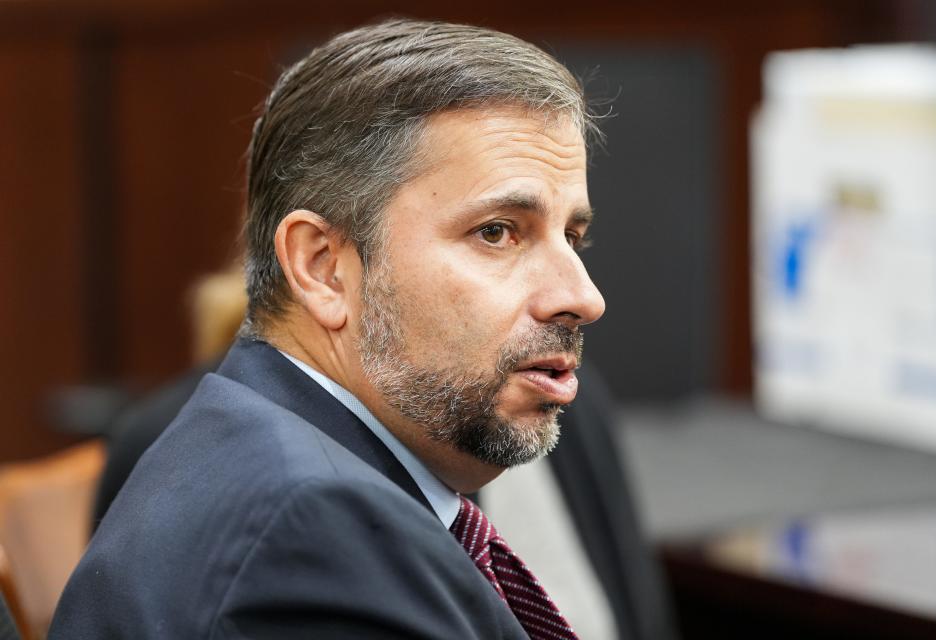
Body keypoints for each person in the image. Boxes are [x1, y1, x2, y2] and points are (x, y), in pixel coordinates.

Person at [51, 19, 611, 638]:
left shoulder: (257, 447)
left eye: (573, 237)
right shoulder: (317, 530)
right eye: (497, 232)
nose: (583, 297)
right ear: (322, 268)